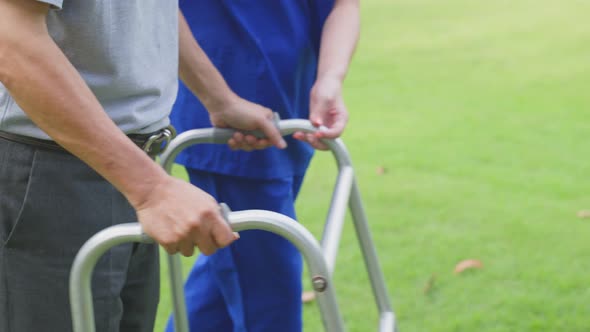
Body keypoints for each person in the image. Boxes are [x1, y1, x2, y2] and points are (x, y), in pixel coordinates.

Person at [0, 1, 284, 331]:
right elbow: (12, 39)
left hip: (129, 166)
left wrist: (219, 98)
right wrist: (150, 189)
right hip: (50, 173)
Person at [165, 1, 360, 331]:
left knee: (220, 291)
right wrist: (219, 99)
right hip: (228, 125)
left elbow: (343, 4)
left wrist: (330, 78)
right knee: (269, 296)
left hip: (291, 111)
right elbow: (154, 11)